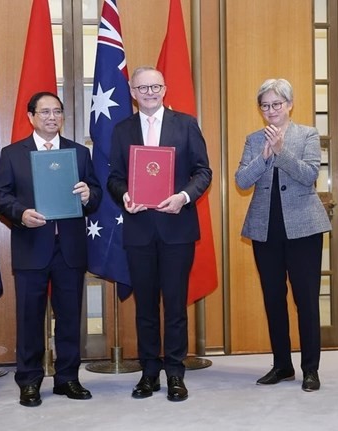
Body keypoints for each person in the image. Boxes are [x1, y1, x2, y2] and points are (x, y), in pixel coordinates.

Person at [108, 66, 212, 402]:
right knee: (146, 307)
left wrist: (183, 197)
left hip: (177, 229)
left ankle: (176, 374)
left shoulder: (186, 124)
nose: (150, 92)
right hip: (139, 230)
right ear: (132, 91)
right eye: (142, 87)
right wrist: (124, 194)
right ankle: (149, 372)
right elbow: (114, 176)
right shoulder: (122, 130)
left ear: (164, 89)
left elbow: (203, 171)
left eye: (155, 86)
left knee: (176, 306)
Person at [0, 91, 102, 407]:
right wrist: (21, 214)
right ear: (31, 116)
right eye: (44, 112)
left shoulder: (79, 153)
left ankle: (68, 379)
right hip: (31, 245)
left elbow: (95, 196)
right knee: (29, 318)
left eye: (57, 111)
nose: (52, 117)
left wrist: (86, 196)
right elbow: (0, 196)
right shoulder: (13, 153)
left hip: (69, 247)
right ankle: (29, 381)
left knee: (70, 316)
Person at [234, 78, 331, 392]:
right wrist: (263, 156)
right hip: (265, 229)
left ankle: (310, 369)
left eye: (277, 104)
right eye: (265, 105)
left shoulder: (307, 135)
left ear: (289, 104)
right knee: (273, 299)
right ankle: (282, 365)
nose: (271, 110)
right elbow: (241, 181)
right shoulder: (252, 139)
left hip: (304, 229)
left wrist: (280, 151)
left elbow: (309, 175)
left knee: (306, 300)